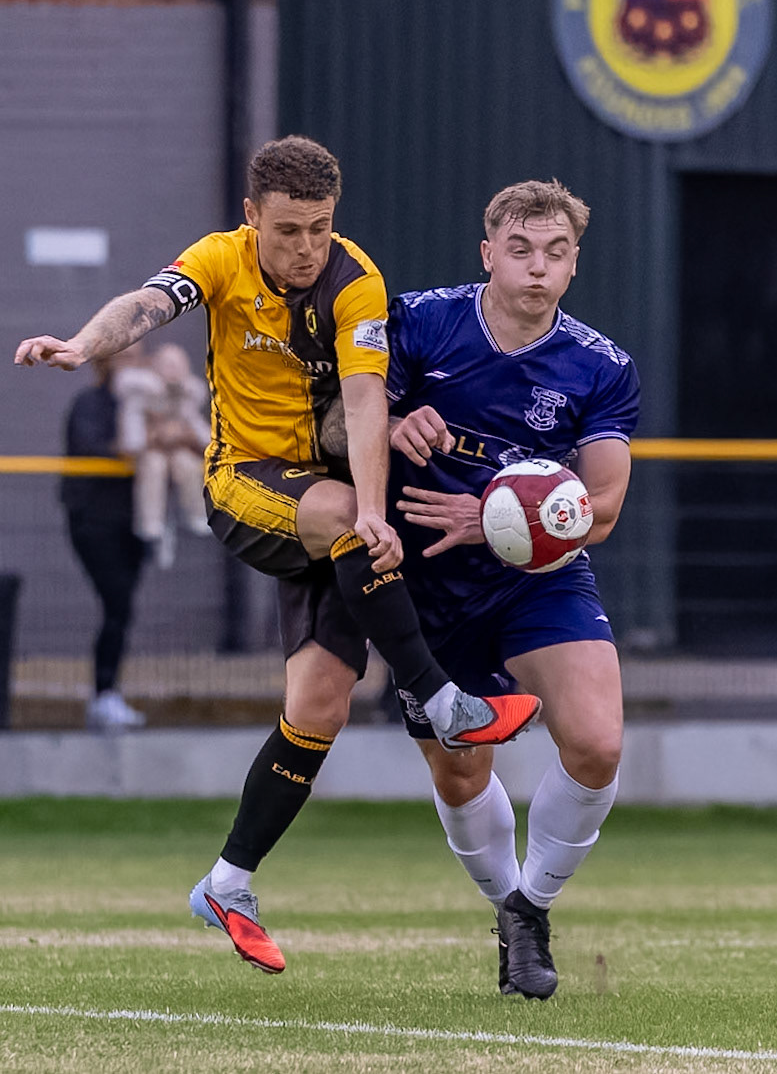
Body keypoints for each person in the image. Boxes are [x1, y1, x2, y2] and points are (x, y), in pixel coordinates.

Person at [14, 135, 540, 975]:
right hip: (245, 484)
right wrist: (83, 345)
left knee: (320, 705)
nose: (305, 248)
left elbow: (365, 402)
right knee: (343, 516)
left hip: (330, 512)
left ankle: (227, 881)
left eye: (320, 228)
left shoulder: (355, 279)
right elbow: (144, 305)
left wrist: (373, 509)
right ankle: (442, 699)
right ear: (251, 216)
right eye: (288, 230)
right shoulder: (219, 260)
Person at [385, 179, 640, 999]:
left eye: (555, 253)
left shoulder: (599, 366)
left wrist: (495, 517)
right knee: (462, 771)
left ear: (573, 264)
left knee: (596, 744)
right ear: (487, 253)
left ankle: (531, 907)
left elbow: (602, 507)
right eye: (521, 250)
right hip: (425, 585)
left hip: (539, 576)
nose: (537, 267)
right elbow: (331, 423)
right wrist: (389, 423)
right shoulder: (419, 322)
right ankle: (506, 906)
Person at [60, 347, 149, 730]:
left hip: (134, 521)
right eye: (125, 356)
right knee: (118, 602)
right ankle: (104, 694)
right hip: (94, 522)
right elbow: (93, 447)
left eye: (137, 356)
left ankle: (107, 694)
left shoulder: (145, 402)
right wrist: (138, 446)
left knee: (121, 609)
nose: (133, 363)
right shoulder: (90, 403)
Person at [114, 342, 211, 564]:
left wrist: (185, 436)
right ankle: (150, 523)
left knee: (188, 466)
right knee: (154, 467)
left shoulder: (187, 393)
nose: (173, 370)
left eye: (178, 365)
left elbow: (195, 424)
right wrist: (142, 440)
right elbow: (132, 422)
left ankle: (197, 513)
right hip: (150, 453)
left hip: (178, 452)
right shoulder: (142, 391)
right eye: (168, 364)